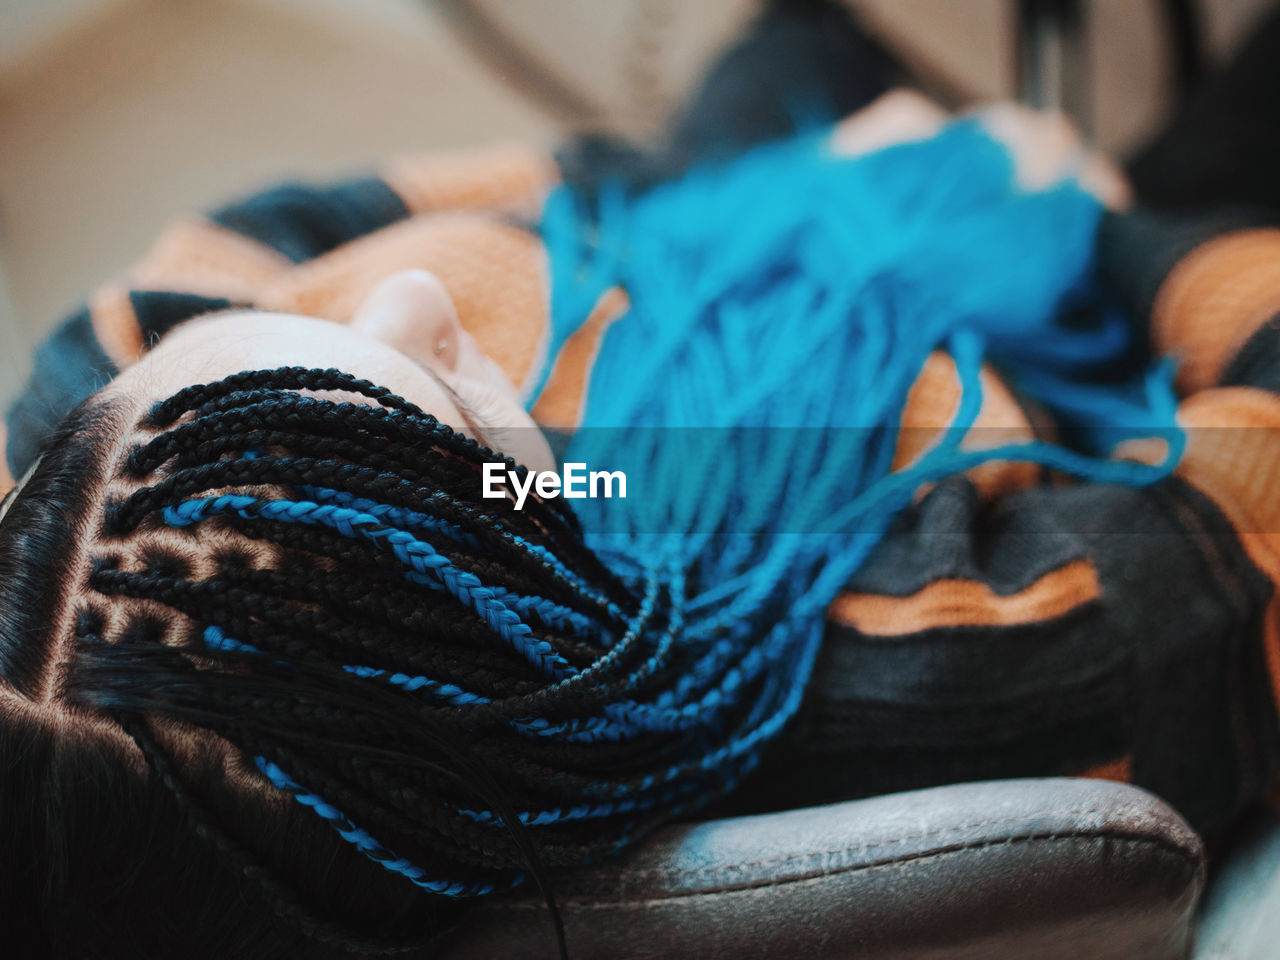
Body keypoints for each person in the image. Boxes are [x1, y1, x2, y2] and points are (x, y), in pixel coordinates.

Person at [3, 2, 1280, 957]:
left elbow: (311, 223)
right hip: (1053, 290)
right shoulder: (978, 652)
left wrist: (789, 182)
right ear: (543, 651)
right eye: (445, 391)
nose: (408, 293)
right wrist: (1052, 203)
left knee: (798, 37)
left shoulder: (101, 462)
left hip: (675, 207)